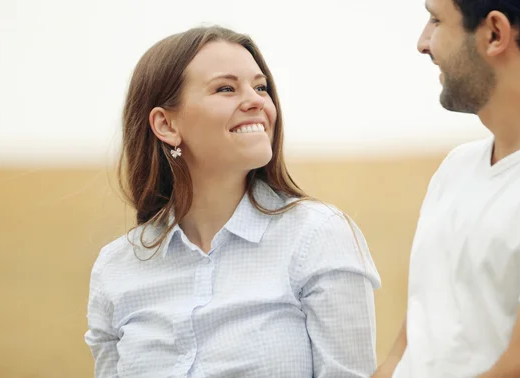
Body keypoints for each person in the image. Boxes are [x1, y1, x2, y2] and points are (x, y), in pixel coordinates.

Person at [84, 26, 381, 377]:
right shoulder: (116, 268)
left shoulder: (319, 236)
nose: (257, 101)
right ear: (165, 124)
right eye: (225, 88)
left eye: (261, 87)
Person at [373, 0, 520, 377]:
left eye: (436, 20)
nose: (423, 43)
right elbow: (407, 354)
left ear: (495, 34)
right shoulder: (457, 168)